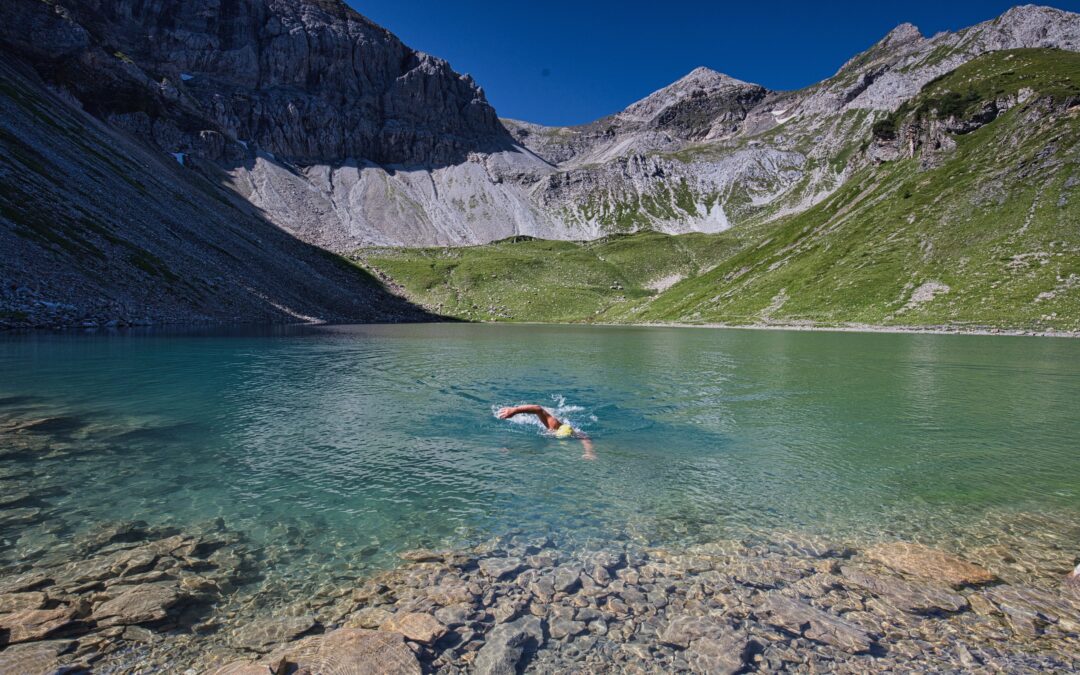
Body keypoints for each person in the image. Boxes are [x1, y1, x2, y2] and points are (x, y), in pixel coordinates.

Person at [496, 404, 596, 459]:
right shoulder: (554, 426)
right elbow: (538, 408)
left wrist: (589, 453)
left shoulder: (576, 434)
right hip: (551, 417)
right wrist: (515, 410)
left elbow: (586, 439)